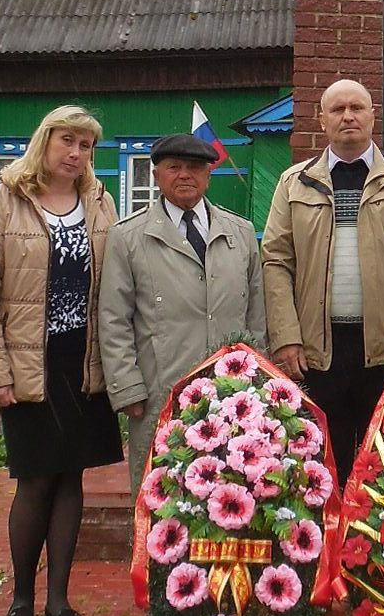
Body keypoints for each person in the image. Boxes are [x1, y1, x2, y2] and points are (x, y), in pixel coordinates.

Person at [0, 105, 123, 616]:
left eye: (87, 146)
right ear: (45, 142)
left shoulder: (100, 203)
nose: (77, 154)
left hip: (84, 362)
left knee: (71, 477)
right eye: (68, 142)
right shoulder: (3, 201)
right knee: (34, 480)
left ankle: (59, 600)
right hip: (29, 361)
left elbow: (115, 285)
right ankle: (22, 597)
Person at [260, 78, 384, 478]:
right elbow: (275, 260)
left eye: (357, 108)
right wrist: (286, 335)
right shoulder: (294, 183)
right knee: (324, 467)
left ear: (372, 116)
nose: (348, 116)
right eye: (338, 109)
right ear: (321, 119)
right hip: (317, 354)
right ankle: (332, 542)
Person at [97, 130, 267, 469]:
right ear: (157, 175)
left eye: (195, 167)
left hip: (232, 393)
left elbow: (257, 312)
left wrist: (258, 377)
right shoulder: (128, 237)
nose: (185, 175)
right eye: (174, 167)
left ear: (209, 175)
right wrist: (128, 388)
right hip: (161, 392)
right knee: (161, 498)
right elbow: (113, 318)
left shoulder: (241, 233)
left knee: (230, 492)